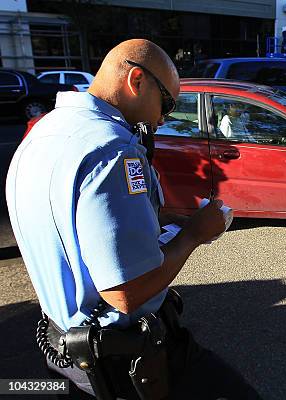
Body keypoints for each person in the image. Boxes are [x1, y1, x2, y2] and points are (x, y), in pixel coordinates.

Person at [6, 39, 262, 399]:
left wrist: (160, 217)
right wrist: (194, 234)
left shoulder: (46, 131)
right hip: (126, 363)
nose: (162, 119)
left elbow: (75, 224)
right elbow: (125, 292)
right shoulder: (113, 152)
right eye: (167, 104)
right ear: (137, 80)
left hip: (68, 350)